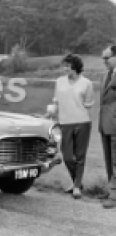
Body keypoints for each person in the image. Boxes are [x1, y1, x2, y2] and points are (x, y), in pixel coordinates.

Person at [50, 54, 94, 199]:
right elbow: (56, 101)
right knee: (68, 156)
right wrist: (50, 113)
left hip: (82, 122)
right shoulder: (59, 81)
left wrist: (86, 120)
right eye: (64, 65)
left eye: (68, 66)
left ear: (75, 67)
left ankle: (76, 187)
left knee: (80, 156)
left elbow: (88, 105)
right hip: (64, 122)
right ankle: (78, 182)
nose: (65, 68)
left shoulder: (87, 83)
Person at [98, 45, 116, 209]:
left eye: (107, 57)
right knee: (108, 160)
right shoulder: (105, 75)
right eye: (103, 57)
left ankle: (114, 196)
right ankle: (111, 190)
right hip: (105, 124)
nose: (104, 61)